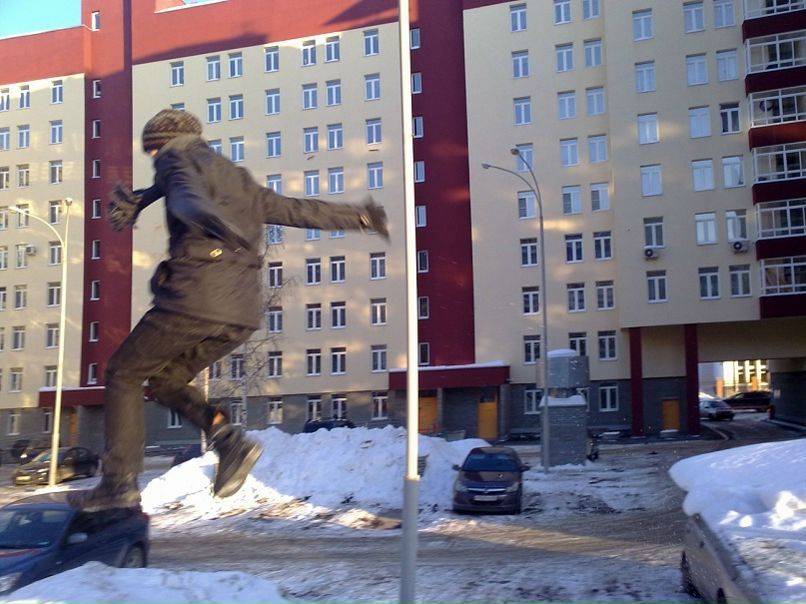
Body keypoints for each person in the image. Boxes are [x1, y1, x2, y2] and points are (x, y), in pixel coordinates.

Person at [69, 109, 388, 511]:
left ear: (162, 143)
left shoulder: (174, 159)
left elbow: (184, 189)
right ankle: (229, 441)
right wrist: (362, 216)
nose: (152, 158)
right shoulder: (235, 178)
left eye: (151, 150)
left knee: (122, 372)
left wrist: (202, 215)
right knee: (166, 381)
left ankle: (118, 484)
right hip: (239, 313)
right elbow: (295, 209)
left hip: (194, 297)